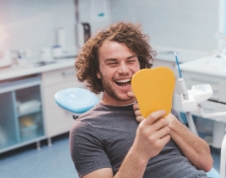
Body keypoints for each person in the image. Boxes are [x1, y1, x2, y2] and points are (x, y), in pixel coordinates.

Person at [70, 22, 213, 178]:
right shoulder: (86, 129)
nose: (124, 70)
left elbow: (206, 162)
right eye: (113, 63)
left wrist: (168, 120)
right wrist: (141, 152)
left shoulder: (159, 105)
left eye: (131, 61)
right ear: (97, 71)